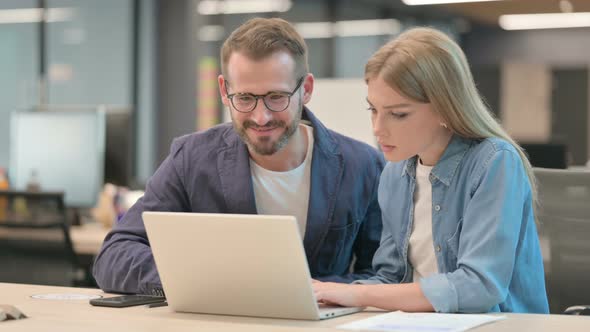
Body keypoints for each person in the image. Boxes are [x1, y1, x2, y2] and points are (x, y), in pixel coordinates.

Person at [93, 18, 385, 295]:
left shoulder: (363, 165)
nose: (261, 116)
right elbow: (115, 254)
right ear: (224, 90)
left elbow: (383, 274)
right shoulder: (192, 159)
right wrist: (200, 282)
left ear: (306, 89)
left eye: (276, 97)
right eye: (245, 98)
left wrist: (322, 292)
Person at [313, 27, 549, 314]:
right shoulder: (394, 173)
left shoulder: (495, 162)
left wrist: (359, 295)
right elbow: (390, 278)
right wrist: (332, 296)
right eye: (373, 110)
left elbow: (479, 287)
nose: (378, 129)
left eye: (398, 114)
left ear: (444, 108)